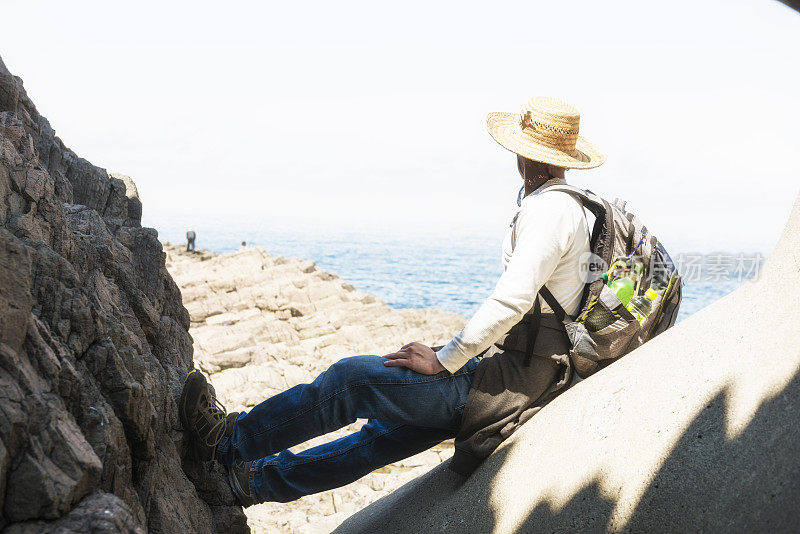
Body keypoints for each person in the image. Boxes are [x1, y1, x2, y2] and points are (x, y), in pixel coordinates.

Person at [179, 96, 605, 506]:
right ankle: (246, 486)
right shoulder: (583, 210)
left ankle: (226, 444)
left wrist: (444, 358)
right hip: (533, 380)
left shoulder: (549, 211)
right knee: (379, 439)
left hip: (501, 384)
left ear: (524, 154)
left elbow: (511, 303)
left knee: (353, 380)